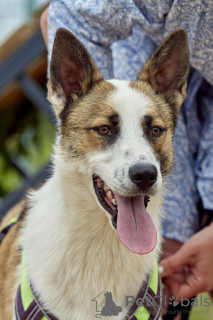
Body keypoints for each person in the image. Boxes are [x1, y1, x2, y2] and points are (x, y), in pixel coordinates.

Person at [40, 0, 213, 301]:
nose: (141, 162)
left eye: (155, 130)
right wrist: (96, 100)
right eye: (105, 130)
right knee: (169, 262)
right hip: (137, 56)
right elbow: (65, 14)